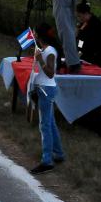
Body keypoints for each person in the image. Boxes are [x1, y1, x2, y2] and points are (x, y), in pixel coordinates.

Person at [29, 23, 65, 174]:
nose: (34, 35)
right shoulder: (44, 49)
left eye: (36, 33)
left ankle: (47, 160)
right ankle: (59, 153)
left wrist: (40, 60)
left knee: (44, 125)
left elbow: (50, 73)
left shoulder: (50, 51)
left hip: (46, 89)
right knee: (50, 122)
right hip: (45, 88)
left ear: (40, 35)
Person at [76, 0, 101, 67]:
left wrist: (81, 51)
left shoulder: (96, 24)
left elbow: (90, 41)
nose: (79, 18)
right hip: (84, 55)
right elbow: (81, 39)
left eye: (80, 16)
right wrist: (79, 50)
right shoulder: (82, 24)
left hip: (95, 56)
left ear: (86, 13)